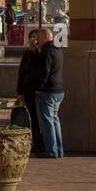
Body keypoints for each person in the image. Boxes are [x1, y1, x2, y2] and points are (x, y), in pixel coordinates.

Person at [35, 26, 65, 158]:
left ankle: (51, 152)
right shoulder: (58, 51)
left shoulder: (46, 52)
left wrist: (38, 88)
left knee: (47, 122)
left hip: (48, 91)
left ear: (46, 38)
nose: (37, 41)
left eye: (38, 39)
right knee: (54, 119)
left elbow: (44, 73)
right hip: (59, 90)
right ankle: (59, 149)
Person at [16, 29, 44, 154]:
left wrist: (35, 52)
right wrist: (19, 92)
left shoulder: (41, 54)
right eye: (31, 37)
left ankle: (40, 143)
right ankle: (35, 143)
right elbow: (21, 73)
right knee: (33, 118)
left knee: (40, 119)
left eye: (35, 37)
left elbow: (38, 71)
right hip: (28, 90)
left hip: (39, 91)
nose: (33, 40)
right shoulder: (26, 54)